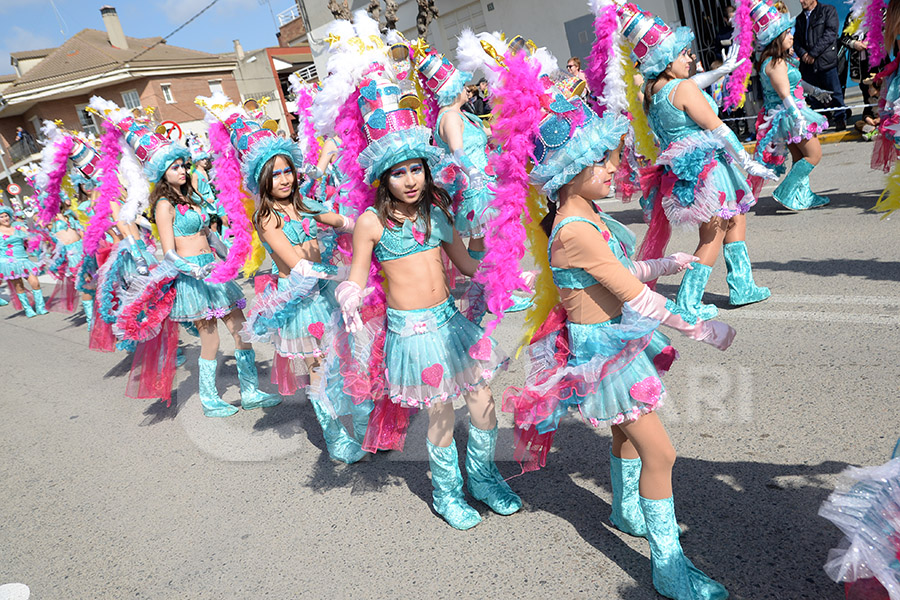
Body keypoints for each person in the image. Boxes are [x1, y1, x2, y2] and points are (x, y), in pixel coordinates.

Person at [482, 38, 735, 600]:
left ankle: (625, 510)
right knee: (661, 452)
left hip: (608, 341)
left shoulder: (585, 219)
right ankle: (668, 564)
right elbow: (634, 296)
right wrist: (700, 328)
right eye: (600, 160)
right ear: (569, 171)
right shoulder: (571, 232)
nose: (612, 166)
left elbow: (620, 270)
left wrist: (669, 260)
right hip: (606, 350)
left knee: (626, 434)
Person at [316, 21, 521, 529]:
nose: (410, 180)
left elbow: (466, 265)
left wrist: (503, 271)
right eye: (399, 172)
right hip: (412, 333)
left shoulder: (437, 214)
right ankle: (448, 491)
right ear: (382, 177)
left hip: (452, 323)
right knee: (441, 415)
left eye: (416, 170)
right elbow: (358, 277)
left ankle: (484, 477)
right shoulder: (369, 223)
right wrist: (347, 294)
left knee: (483, 402)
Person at [196, 95, 369, 462]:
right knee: (320, 369)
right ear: (262, 179)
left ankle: (364, 424)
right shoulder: (268, 218)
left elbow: (342, 221)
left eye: (287, 169)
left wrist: (371, 228)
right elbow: (300, 267)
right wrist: (349, 277)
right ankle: (336, 436)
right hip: (301, 303)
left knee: (348, 359)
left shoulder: (303, 202)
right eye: (275, 174)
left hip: (327, 294)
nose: (285, 178)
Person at [106, 103, 280, 417]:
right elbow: (168, 251)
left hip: (214, 272)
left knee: (241, 331)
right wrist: (193, 268)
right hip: (192, 279)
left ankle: (251, 391)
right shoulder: (162, 205)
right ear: (161, 172)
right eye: (175, 167)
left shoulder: (193, 198)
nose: (183, 171)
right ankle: (210, 399)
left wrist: (230, 255)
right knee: (210, 340)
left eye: (184, 165)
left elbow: (208, 235)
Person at [622, 4, 776, 318]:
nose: (690, 57)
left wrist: (720, 72)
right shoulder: (683, 87)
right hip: (709, 169)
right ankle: (688, 301)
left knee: (735, 218)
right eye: (683, 54)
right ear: (666, 61)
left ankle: (742, 284)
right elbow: (717, 129)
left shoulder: (653, 91)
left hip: (687, 171)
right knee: (713, 233)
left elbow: (692, 85)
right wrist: (747, 162)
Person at [414, 41, 532, 312]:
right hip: (475, 189)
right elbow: (457, 151)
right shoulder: (451, 118)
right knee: (490, 240)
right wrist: (474, 172)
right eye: (463, 86)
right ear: (453, 90)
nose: (468, 89)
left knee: (487, 241)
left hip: (482, 185)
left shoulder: (459, 115)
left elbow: (487, 138)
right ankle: (493, 293)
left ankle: (489, 291)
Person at [751, 0, 830, 210]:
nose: (792, 36)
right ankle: (785, 192)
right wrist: (799, 119)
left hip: (788, 113)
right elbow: (785, 94)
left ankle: (803, 197)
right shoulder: (775, 63)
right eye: (787, 33)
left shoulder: (775, 60)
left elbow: (793, 82)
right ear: (777, 38)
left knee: (800, 157)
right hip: (791, 114)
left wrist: (815, 91)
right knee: (814, 155)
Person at [794, 0, 849, 130]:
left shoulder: (827, 11)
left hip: (825, 61)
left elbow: (830, 34)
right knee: (813, 95)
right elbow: (796, 40)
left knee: (834, 92)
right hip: (807, 64)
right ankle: (819, 120)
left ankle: (840, 117)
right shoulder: (799, 18)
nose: (801, 1)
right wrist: (803, 54)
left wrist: (813, 54)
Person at [0, 206, 47, 316]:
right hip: (8, 262)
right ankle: (28, 309)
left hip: (24, 260)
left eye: (6, 215)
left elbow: (31, 238)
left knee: (35, 282)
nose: (5, 218)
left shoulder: (18, 227)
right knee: (19, 285)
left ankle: (40, 307)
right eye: (1, 217)